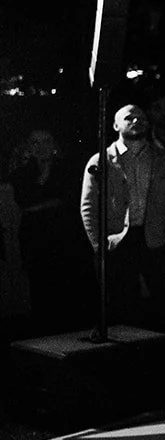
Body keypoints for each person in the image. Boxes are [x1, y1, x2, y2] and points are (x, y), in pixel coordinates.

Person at [80, 104, 165, 330]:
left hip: (156, 239)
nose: (136, 121)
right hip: (118, 241)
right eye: (129, 117)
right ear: (115, 125)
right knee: (121, 308)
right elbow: (88, 206)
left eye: (140, 117)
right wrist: (99, 244)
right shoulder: (101, 161)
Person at [8, 128, 89, 332]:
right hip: (34, 241)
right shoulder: (21, 173)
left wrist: (42, 204)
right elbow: (24, 201)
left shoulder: (68, 170)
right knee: (40, 290)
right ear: (28, 147)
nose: (41, 146)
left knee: (67, 289)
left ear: (54, 145)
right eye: (35, 142)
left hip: (65, 239)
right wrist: (50, 201)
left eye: (46, 141)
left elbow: (68, 199)